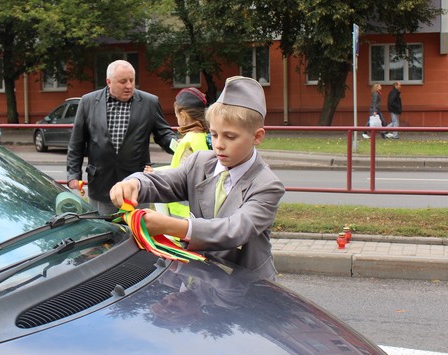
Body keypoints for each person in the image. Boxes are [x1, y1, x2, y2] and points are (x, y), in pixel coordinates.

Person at [109, 76, 285, 280]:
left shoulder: (267, 184)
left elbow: (234, 230)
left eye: (230, 137)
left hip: (247, 288)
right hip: (202, 280)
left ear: (257, 137)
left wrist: (170, 225)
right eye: (214, 134)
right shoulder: (200, 162)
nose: (218, 145)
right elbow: (164, 181)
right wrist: (134, 183)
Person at [66, 60, 176, 215]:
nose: (129, 86)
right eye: (123, 81)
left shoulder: (150, 102)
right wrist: (73, 174)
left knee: (137, 233)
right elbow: (76, 142)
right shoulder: (88, 102)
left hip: (136, 185)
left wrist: (179, 146)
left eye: (132, 80)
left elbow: (164, 134)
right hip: (101, 183)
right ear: (109, 82)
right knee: (104, 233)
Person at [145, 86, 211, 217]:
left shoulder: (187, 142)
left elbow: (181, 177)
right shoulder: (207, 137)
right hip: (202, 208)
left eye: (176, 115)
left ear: (183, 115)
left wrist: (156, 176)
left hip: (184, 213)